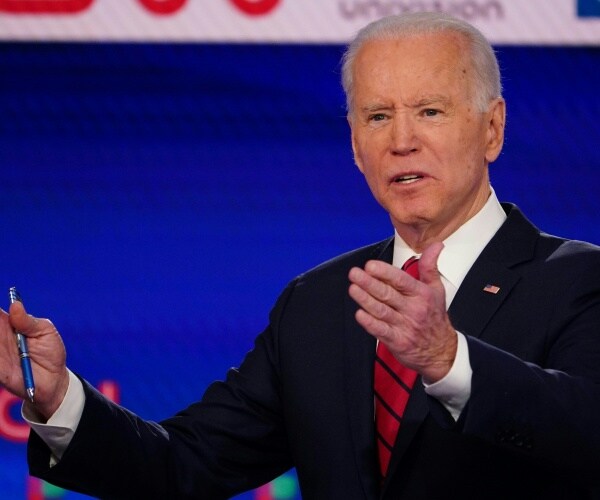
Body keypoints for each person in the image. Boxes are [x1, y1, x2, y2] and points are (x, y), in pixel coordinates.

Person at [2, 11, 600, 500]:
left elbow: (587, 432)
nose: (401, 140)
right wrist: (58, 398)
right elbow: (180, 466)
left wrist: (448, 359)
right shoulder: (316, 304)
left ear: (492, 127)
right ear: (354, 145)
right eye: (378, 116)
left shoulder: (578, 280)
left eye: (430, 111)